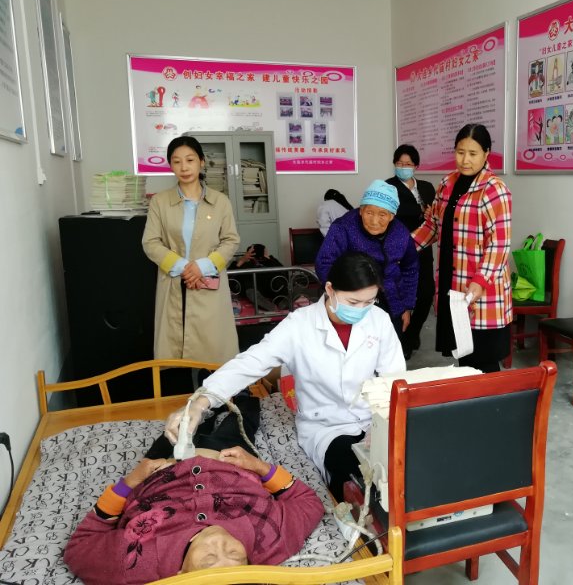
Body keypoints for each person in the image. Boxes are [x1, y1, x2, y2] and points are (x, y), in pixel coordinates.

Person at [163, 252, 405, 501]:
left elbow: (395, 378)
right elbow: (251, 363)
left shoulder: (379, 320)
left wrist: (386, 424)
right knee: (357, 478)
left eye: (369, 302)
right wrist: (200, 402)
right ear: (330, 290)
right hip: (327, 427)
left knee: (403, 471)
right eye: (353, 302)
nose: (362, 310)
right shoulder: (299, 326)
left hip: (373, 419)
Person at [64, 393, 324, 584]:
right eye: (235, 554)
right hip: (228, 459)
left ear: (182, 575)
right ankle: (236, 396)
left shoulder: (135, 563)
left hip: (161, 468)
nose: (219, 543)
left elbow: (80, 546)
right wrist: (259, 466)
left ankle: (204, 413)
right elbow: (308, 503)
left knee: (177, 429)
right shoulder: (269, 540)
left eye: (208, 560)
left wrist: (130, 482)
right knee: (242, 417)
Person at [412, 124, 512, 374]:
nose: (465, 160)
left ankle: (493, 399)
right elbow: (432, 226)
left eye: (473, 153)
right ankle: (471, 397)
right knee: (464, 355)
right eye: (460, 152)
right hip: (453, 283)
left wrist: (480, 280)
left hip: (481, 288)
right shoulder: (447, 183)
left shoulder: (494, 190)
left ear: (486, 153)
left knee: (484, 359)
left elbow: (499, 245)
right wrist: (401, 248)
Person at [142, 136, 240, 365]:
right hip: (174, 283)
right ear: (170, 165)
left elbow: (231, 240)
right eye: (177, 162)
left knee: (213, 354)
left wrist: (202, 267)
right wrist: (186, 268)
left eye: (190, 160)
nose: (184, 167)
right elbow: (151, 242)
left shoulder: (221, 202)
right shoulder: (160, 202)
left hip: (208, 283)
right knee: (175, 354)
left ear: (201, 162)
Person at [315, 180, 418, 339]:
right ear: (361, 210)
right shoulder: (344, 227)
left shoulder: (401, 233)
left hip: (392, 299)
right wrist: (343, 295)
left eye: (382, 215)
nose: (375, 221)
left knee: (389, 342)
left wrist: (406, 306)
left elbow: (410, 268)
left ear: (392, 216)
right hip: (354, 298)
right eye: (369, 213)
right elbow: (324, 262)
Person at [384, 144, 435, 359]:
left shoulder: (427, 187)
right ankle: (402, 340)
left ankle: (412, 333)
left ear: (416, 166)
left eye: (407, 164)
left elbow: (435, 215)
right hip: (400, 251)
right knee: (400, 296)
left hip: (424, 250)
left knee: (426, 294)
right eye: (399, 163)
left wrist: (431, 213)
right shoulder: (388, 187)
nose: (403, 167)